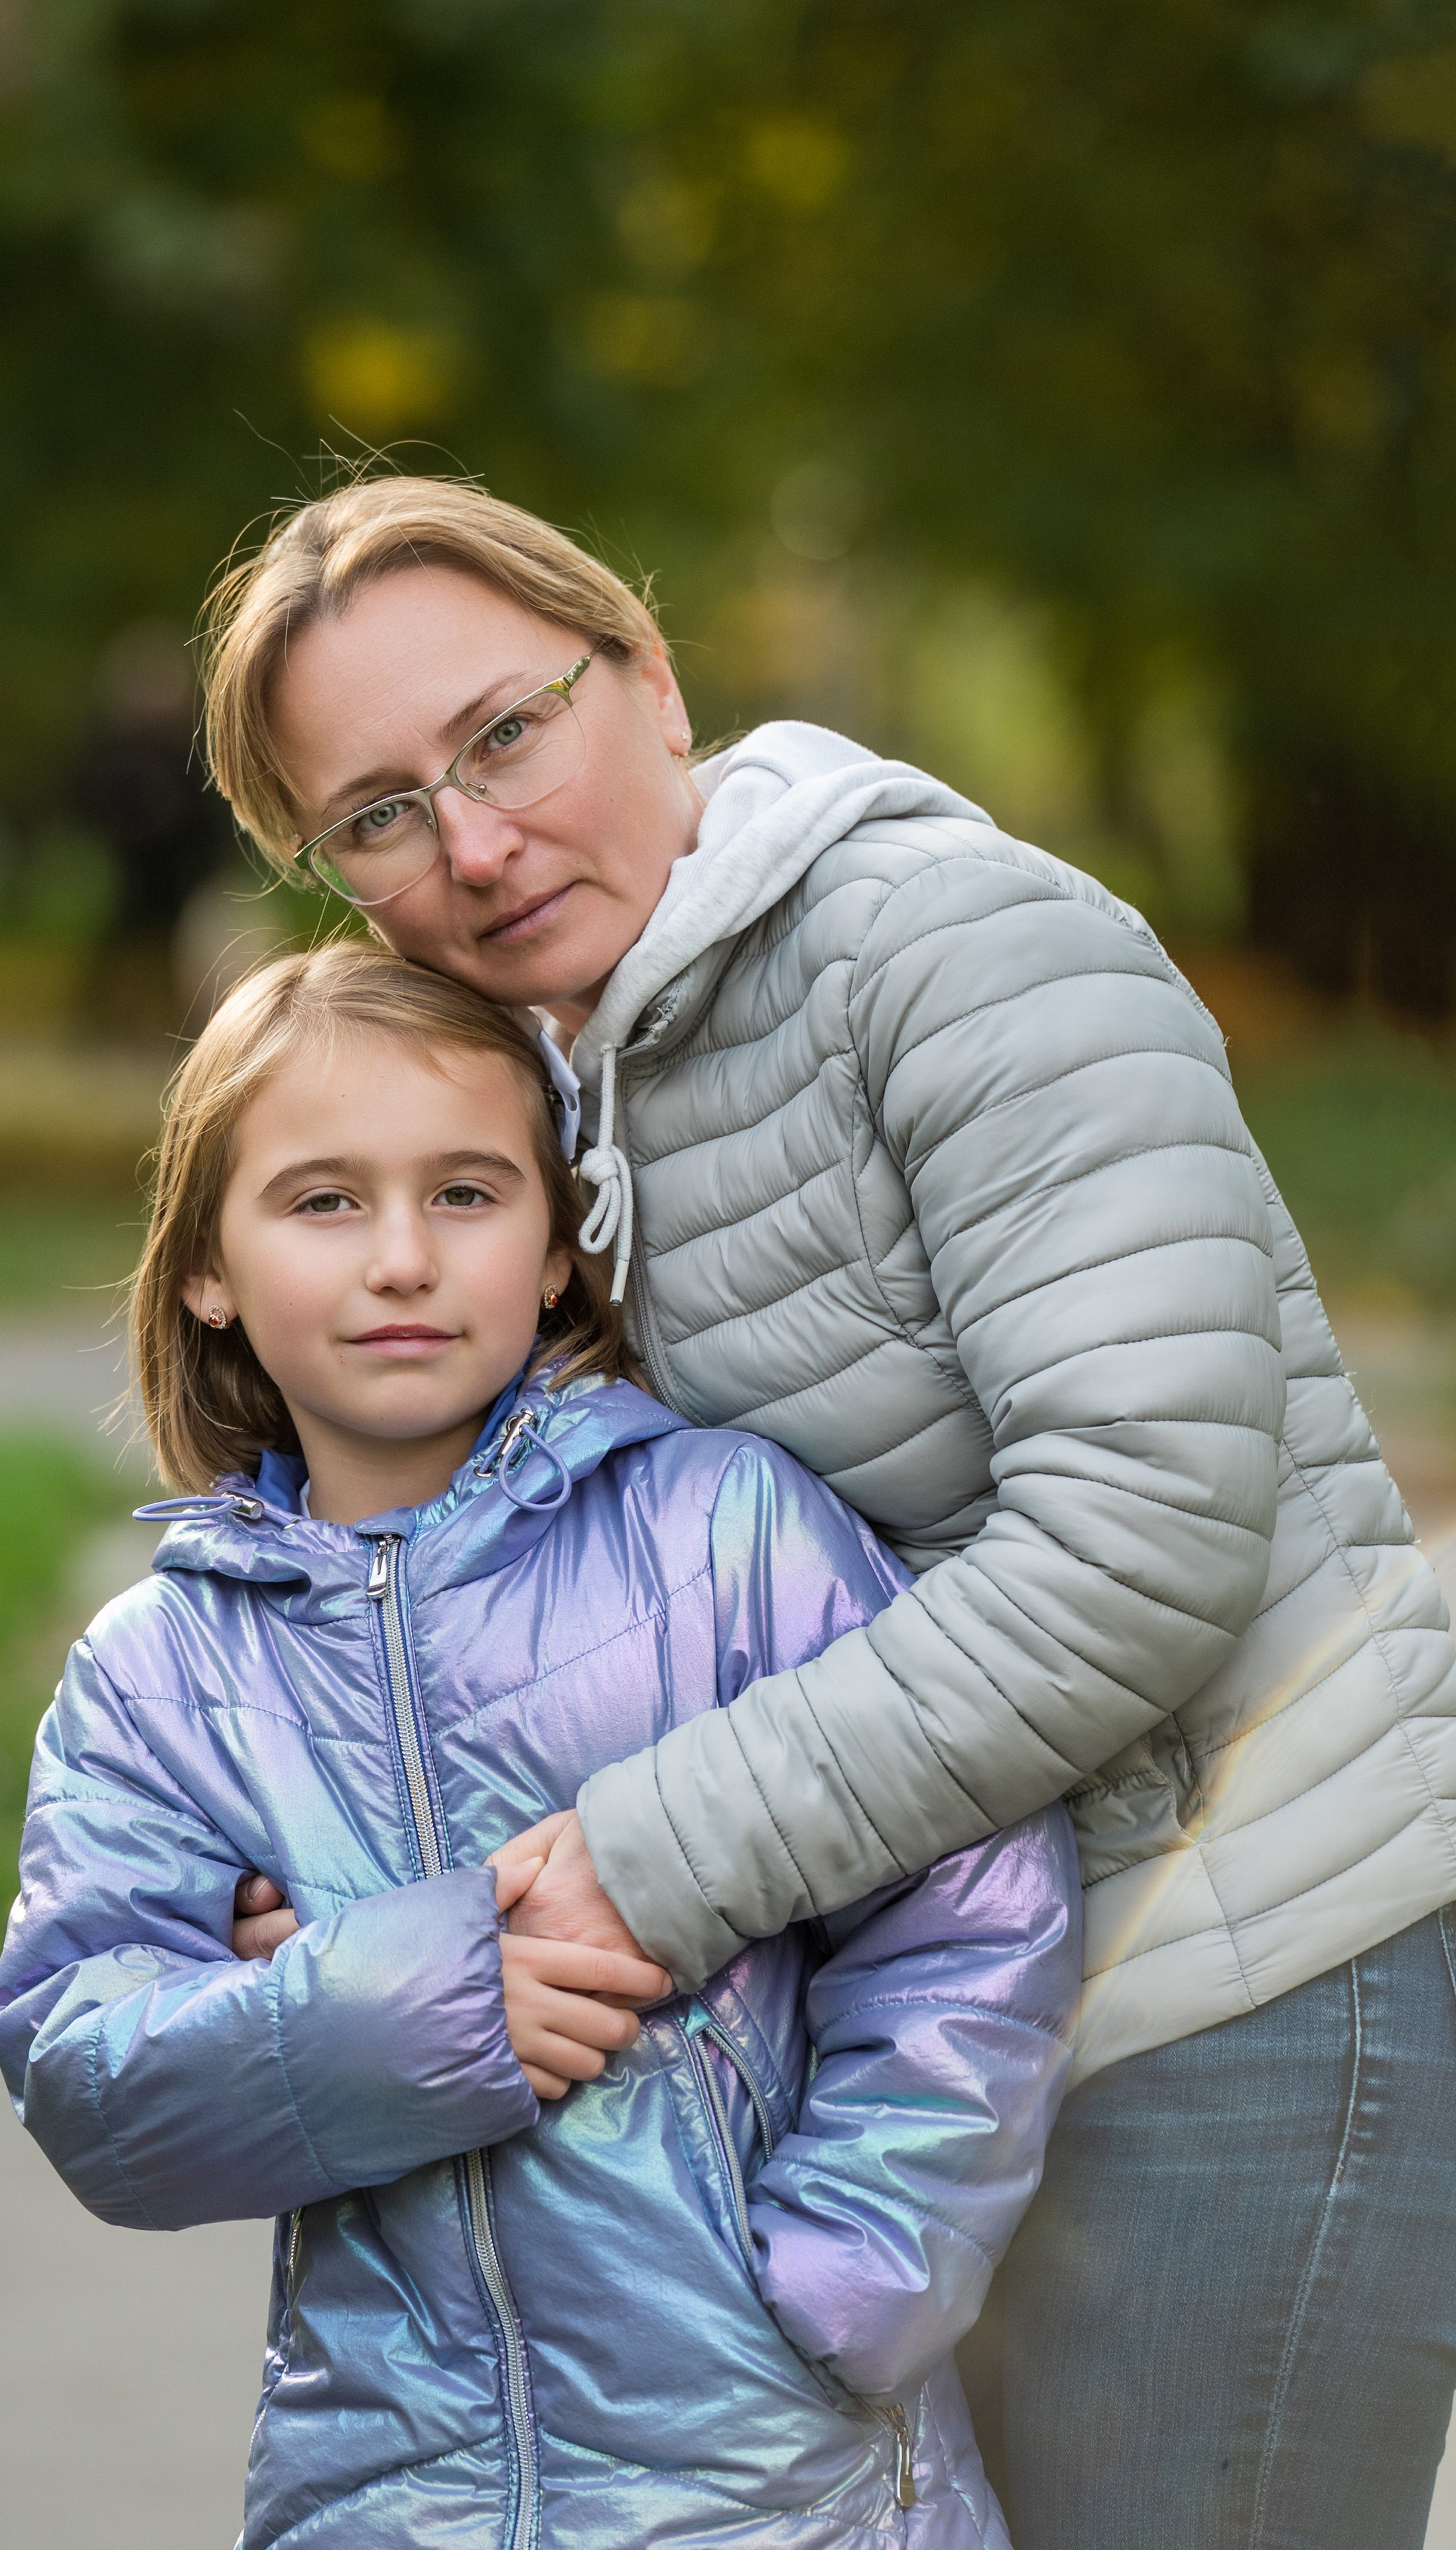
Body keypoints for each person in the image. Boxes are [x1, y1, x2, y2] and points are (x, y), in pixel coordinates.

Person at [201, 477, 1456, 2550]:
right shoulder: (548, 1094)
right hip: (940, 2045)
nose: (477, 842)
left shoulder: (958, 946)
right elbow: (630, 1606)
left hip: (1234, 1974)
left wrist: (631, 1868)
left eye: (506, 734)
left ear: (654, 680)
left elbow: (1141, 1530)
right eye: (381, 815)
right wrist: (370, 1889)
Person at [0, 943, 1080, 2550]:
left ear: (561, 1246)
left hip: (781, 2482)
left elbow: (971, 1895)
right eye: (324, 1201)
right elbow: (87, 2073)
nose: (403, 1258)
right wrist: (400, 2002)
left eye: (469, 1193)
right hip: (379, 2494)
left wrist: (855, 2272)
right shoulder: (158, 1676)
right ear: (207, 1262)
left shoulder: (728, 1532)